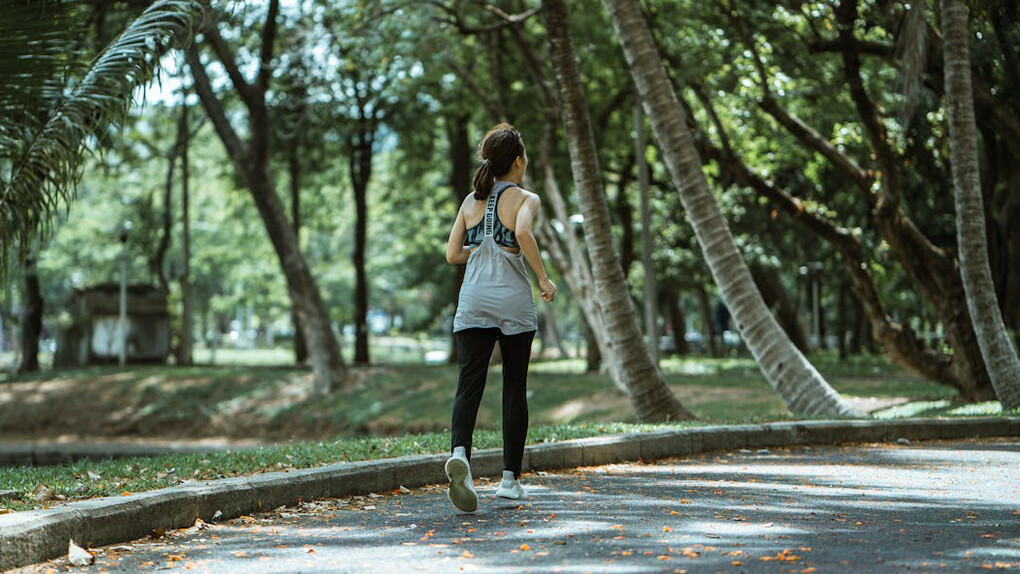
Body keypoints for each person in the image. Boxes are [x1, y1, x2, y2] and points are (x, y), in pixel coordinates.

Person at [444, 123, 557, 512]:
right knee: (514, 387)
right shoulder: (526, 197)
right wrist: (543, 278)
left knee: (468, 384)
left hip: (473, 301)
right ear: (519, 161)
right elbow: (523, 233)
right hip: (513, 303)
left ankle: (461, 453)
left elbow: (452, 254)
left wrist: (478, 252)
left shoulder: (470, 201)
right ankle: (509, 481)